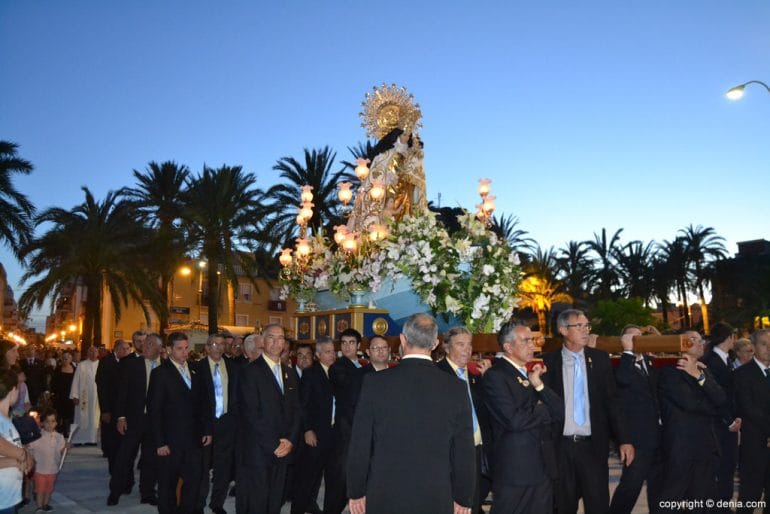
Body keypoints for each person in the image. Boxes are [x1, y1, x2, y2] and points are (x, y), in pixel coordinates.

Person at [347, 313, 476, 514]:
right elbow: (464, 451)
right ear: (435, 344)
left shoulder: (375, 383)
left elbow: (360, 443)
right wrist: (463, 497)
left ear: (402, 339)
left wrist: (356, 490)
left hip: (384, 491)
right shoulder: (456, 388)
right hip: (436, 492)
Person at [542, 309, 633, 514]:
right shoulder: (548, 362)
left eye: (587, 326)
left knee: (598, 504)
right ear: (564, 330)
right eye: (579, 326)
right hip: (561, 447)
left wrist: (624, 439)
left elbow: (613, 402)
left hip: (593, 446)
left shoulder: (600, 359)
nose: (586, 331)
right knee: (564, 505)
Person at [483, 322, 563, 514]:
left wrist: (539, 386)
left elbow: (560, 411)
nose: (532, 345)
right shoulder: (496, 375)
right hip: (515, 472)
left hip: (542, 467)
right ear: (508, 347)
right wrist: (543, 410)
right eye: (525, 341)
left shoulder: (533, 374)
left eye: (532, 340)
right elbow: (514, 420)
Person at [657, 330, 726, 513]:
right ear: (680, 344)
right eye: (693, 340)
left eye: (701, 339)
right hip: (681, 447)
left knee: (702, 499)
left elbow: (721, 398)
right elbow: (691, 404)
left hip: (705, 445)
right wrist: (712, 405)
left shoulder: (703, 369)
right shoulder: (670, 371)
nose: (700, 343)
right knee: (671, 498)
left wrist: (698, 376)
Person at [235, 323, 301, 514]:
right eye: (271, 337)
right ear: (263, 341)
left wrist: (290, 440)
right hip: (258, 450)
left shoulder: (289, 372)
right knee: (257, 500)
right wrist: (274, 444)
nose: (276, 342)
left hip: (284, 447)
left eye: (280, 338)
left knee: (275, 499)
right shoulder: (250, 371)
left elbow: (297, 410)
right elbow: (250, 414)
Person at [148, 332, 213, 514]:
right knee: (167, 485)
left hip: (194, 441)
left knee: (194, 482)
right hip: (170, 442)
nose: (185, 352)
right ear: (169, 350)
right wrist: (160, 442)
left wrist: (207, 429)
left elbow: (204, 403)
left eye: (186, 348)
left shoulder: (195, 370)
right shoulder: (160, 374)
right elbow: (155, 410)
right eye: (180, 349)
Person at [436, 327, 493, 514]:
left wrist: (488, 380)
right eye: (460, 344)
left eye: (469, 344)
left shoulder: (475, 376)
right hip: (450, 454)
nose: (467, 350)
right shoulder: (437, 374)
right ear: (446, 347)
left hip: (477, 451)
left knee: (474, 502)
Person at [610, 325, 664, 514]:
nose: (638, 340)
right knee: (631, 486)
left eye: (640, 337)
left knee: (658, 486)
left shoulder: (651, 362)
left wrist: (658, 340)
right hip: (636, 439)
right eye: (633, 337)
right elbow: (622, 381)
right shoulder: (619, 363)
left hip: (658, 436)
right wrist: (627, 352)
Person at [108, 333, 162, 506]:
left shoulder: (166, 367)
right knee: (124, 457)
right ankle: (115, 492)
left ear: (160, 348)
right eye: (145, 343)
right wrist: (121, 417)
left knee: (150, 459)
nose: (146, 346)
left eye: (151, 344)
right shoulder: (132, 365)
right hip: (133, 420)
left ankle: (147, 492)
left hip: (155, 423)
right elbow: (121, 393)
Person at [194, 333, 238, 514]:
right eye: (214, 344)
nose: (218, 347)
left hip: (227, 423)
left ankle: (217, 503)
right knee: (202, 466)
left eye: (222, 344)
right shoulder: (197, 368)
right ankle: (198, 503)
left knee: (223, 466)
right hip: (205, 423)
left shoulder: (233, 367)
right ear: (206, 347)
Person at [291, 336, 337, 514]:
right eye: (327, 352)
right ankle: (297, 509)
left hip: (331, 433)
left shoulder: (335, 372)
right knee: (307, 477)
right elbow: (302, 406)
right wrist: (307, 430)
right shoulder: (311, 374)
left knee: (319, 477)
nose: (332, 355)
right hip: (315, 434)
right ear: (318, 355)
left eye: (333, 351)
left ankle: (311, 504)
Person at [702, 322, 742, 511]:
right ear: (729, 338)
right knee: (721, 467)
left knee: (728, 466)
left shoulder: (726, 359)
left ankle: (724, 504)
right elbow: (715, 394)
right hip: (719, 424)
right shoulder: (711, 361)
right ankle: (719, 506)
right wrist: (728, 420)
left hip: (730, 422)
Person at [327, 328, 364, 514]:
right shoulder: (338, 367)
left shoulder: (361, 367)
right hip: (344, 429)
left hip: (359, 428)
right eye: (344, 343)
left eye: (351, 343)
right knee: (339, 478)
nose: (347, 346)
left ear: (358, 346)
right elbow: (349, 390)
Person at [734, 328, 770, 513]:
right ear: (754, 347)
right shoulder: (743, 374)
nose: (769, 348)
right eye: (764, 344)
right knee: (750, 495)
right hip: (755, 444)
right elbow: (748, 408)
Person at [96, 338, 130, 475]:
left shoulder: (129, 362)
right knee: (111, 438)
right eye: (124, 349)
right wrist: (105, 410)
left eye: (128, 349)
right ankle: (113, 466)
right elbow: (102, 387)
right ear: (117, 349)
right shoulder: (106, 362)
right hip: (110, 407)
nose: (127, 351)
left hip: (124, 409)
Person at [27, 409, 71, 512]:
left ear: (57, 422)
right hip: (40, 469)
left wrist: (65, 446)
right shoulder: (38, 436)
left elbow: (60, 450)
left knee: (49, 489)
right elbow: (29, 447)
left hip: (53, 469)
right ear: (42, 423)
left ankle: (45, 504)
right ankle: (39, 506)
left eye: (53, 421)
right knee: (40, 490)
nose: (50, 424)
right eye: (47, 421)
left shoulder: (59, 437)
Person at [0, 368, 30, 514]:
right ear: (13, 390)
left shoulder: (7, 419)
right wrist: (20, 455)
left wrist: (23, 458)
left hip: (9, 498)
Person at [69, 345, 100, 445]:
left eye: (94, 352)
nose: (92, 354)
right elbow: (75, 381)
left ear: (98, 353)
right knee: (81, 418)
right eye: (90, 352)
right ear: (87, 353)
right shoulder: (81, 365)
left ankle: (92, 439)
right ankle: (79, 439)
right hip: (83, 398)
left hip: (97, 398)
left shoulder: (101, 365)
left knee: (94, 417)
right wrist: (75, 395)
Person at [50, 352, 75, 436]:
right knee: (59, 412)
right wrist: (52, 392)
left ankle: (66, 429)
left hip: (70, 394)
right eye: (63, 358)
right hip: (60, 394)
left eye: (66, 358)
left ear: (70, 360)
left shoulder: (74, 369)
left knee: (68, 413)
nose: (64, 360)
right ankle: (58, 428)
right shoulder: (58, 368)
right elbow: (53, 381)